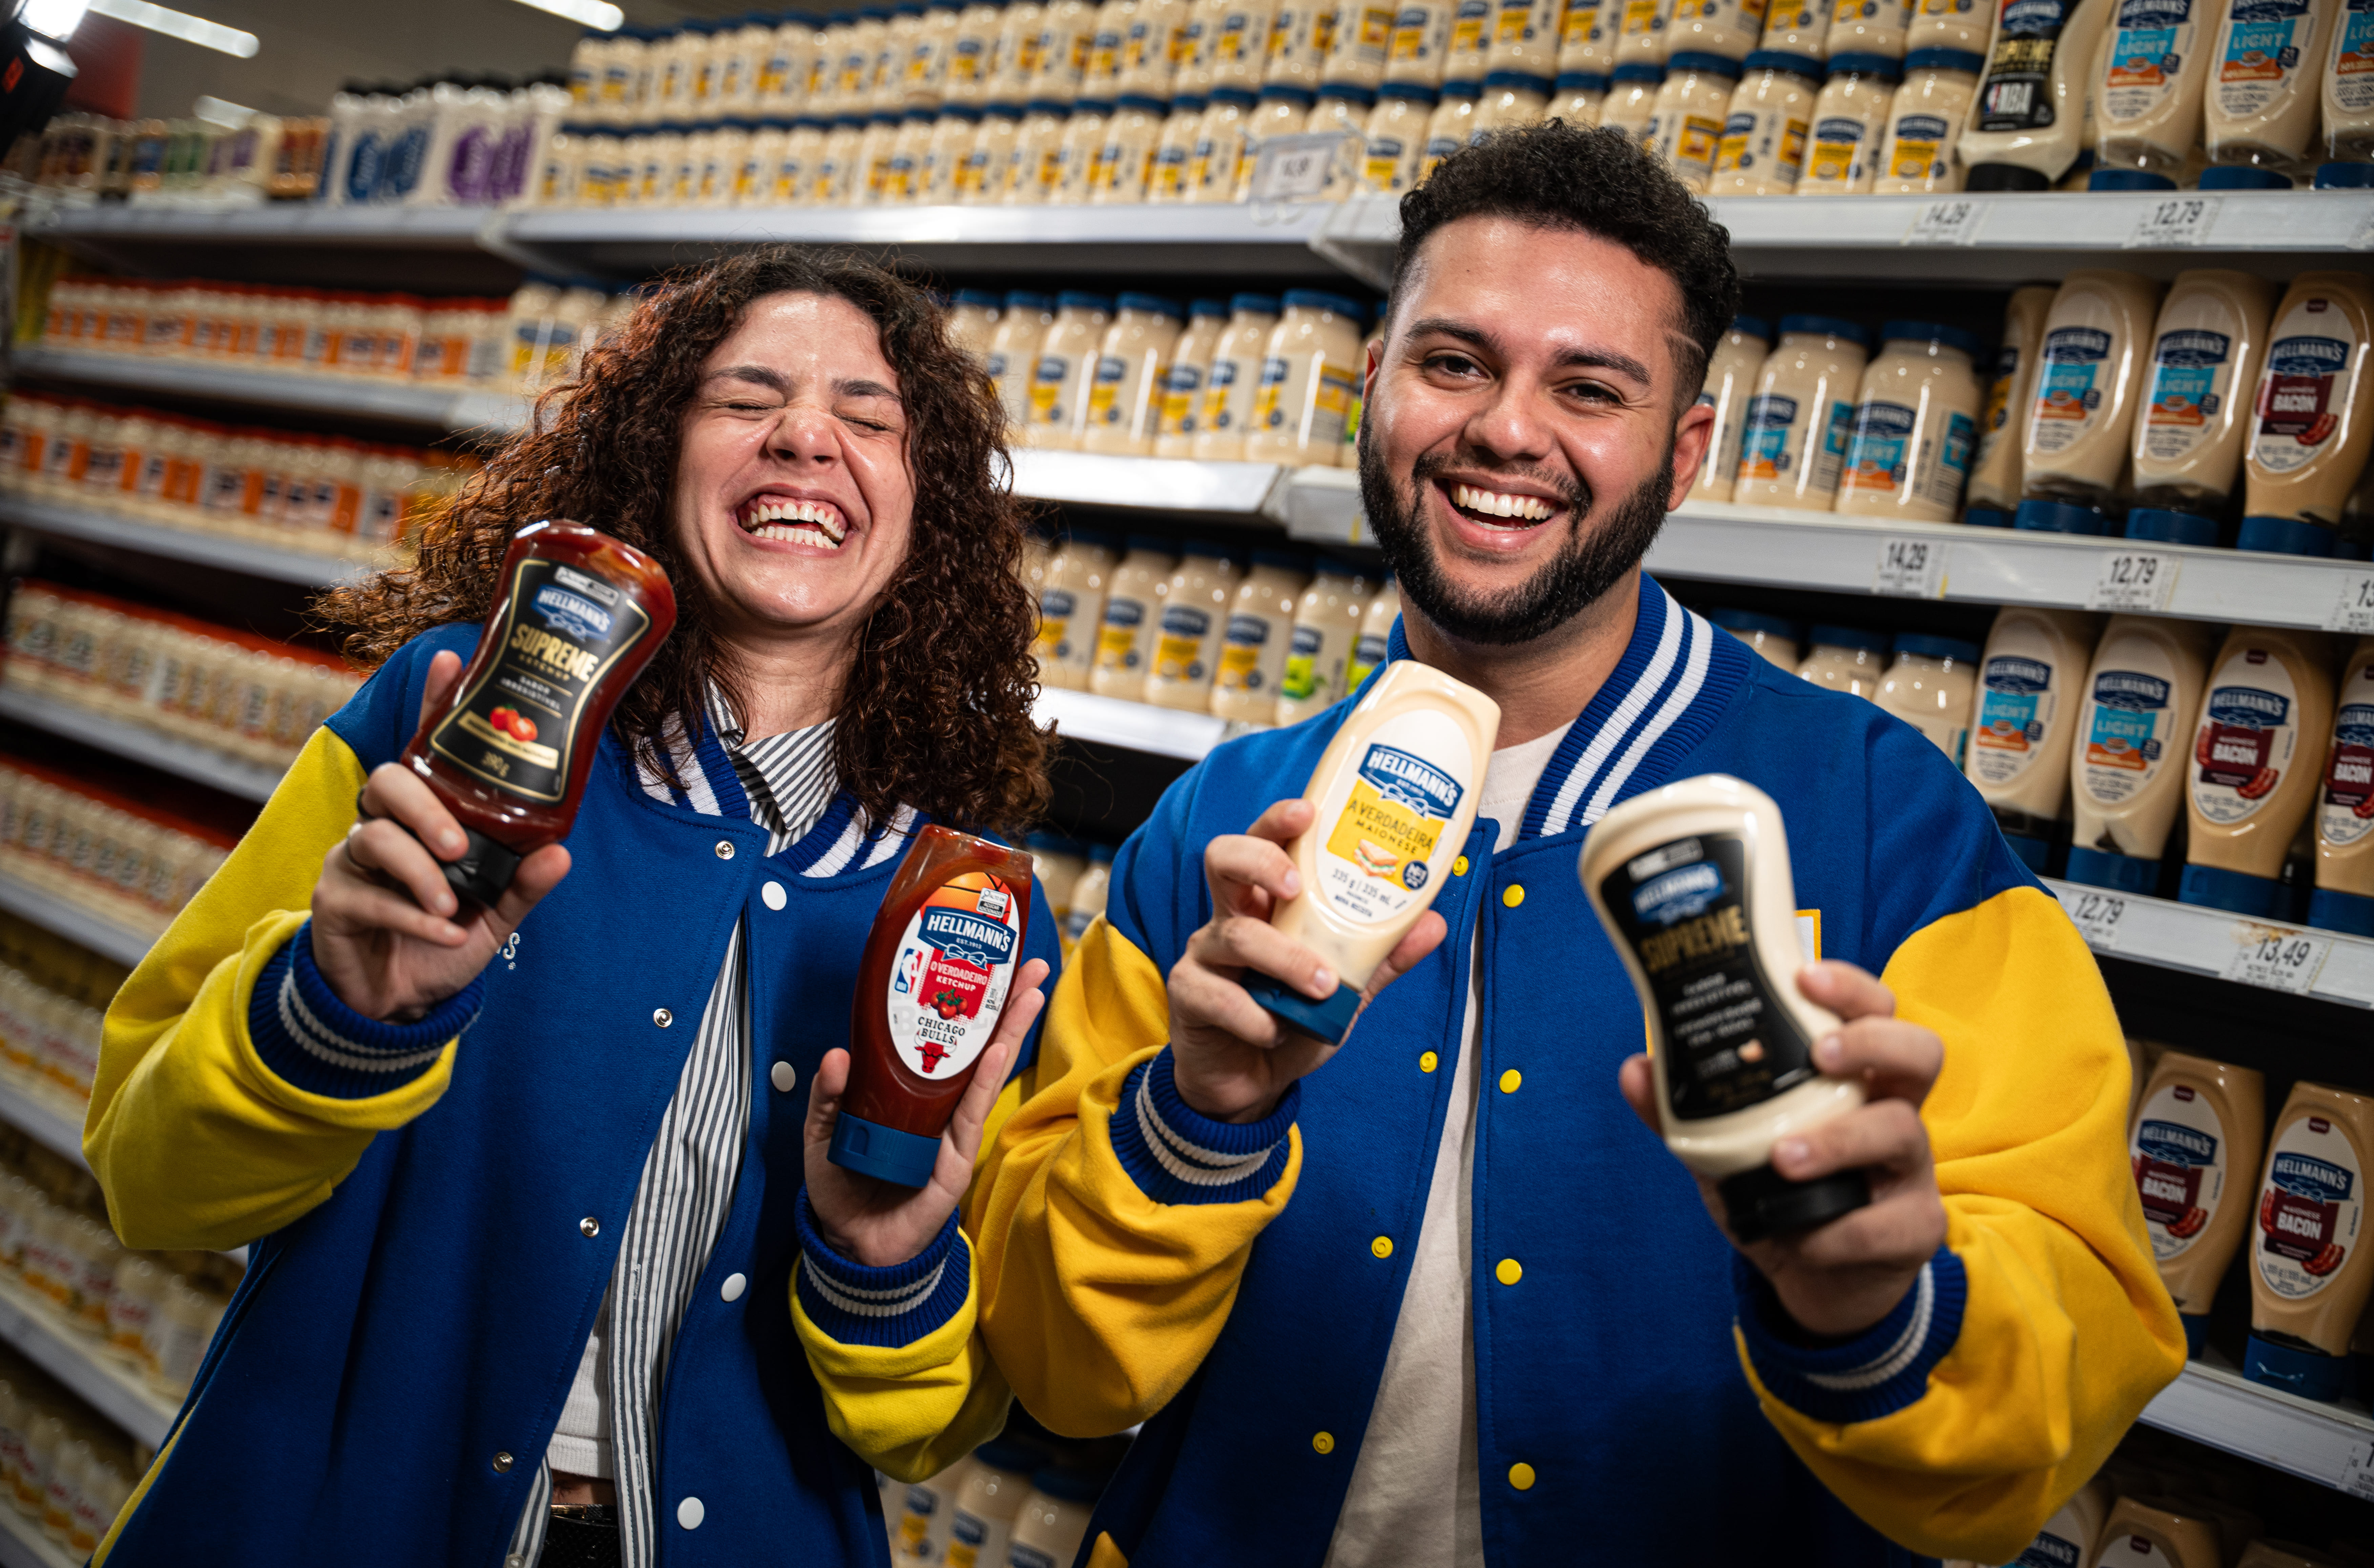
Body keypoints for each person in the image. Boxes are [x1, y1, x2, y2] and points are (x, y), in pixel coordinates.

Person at [966, 123, 2184, 1566]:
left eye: (1590, 389)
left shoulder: (1884, 822)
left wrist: (1870, 1310)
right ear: (1374, 384)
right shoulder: (1219, 829)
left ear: (1685, 453)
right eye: (1454, 362)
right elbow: (1057, 1369)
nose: (1505, 430)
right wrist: (1195, 1121)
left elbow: (2061, 1383)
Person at [83, 249, 1059, 1567]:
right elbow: (148, 1182)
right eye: (745, 398)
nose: (804, 436)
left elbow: (928, 1432)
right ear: (656, 455)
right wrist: (332, 1015)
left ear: (925, 499)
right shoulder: (450, 722)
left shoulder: (972, 903)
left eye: (869, 418)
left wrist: (876, 1262)